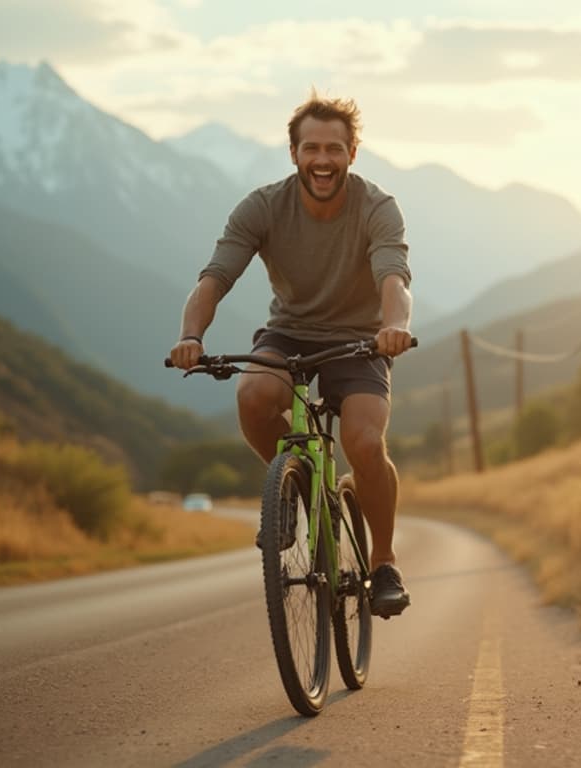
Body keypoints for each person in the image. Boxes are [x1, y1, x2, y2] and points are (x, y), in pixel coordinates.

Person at [168, 91, 414, 618]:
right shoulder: (262, 207)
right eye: (311, 149)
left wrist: (395, 325)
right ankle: (295, 488)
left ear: (352, 153)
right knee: (254, 394)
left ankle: (385, 559)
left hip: (360, 338)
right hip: (289, 332)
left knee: (365, 443)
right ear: (294, 154)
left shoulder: (377, 207)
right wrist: (191, 335)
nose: (322, 160)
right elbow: (215, 277)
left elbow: (393, 277)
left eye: (334, 149)